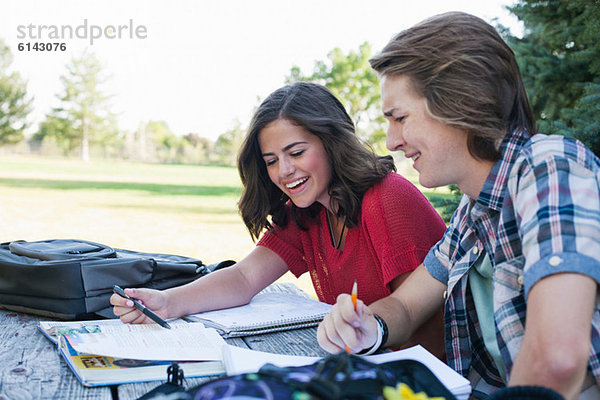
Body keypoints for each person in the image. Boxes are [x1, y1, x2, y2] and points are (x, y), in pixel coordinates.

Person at [316, 11, 600, 400]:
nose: (390, 141)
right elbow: (406, 305)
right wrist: (371, 325)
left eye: (399, 118)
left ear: (459, 102)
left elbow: (558, 359)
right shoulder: (473, 214)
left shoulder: (549, 167)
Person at [111, 81, 448, 358]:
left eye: (296, 153)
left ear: (333, 143)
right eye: (271, 160)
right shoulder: (305, 211)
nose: (283, 171)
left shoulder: (389, 198)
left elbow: (419, 318)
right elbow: (244, 277)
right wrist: (167, 302)